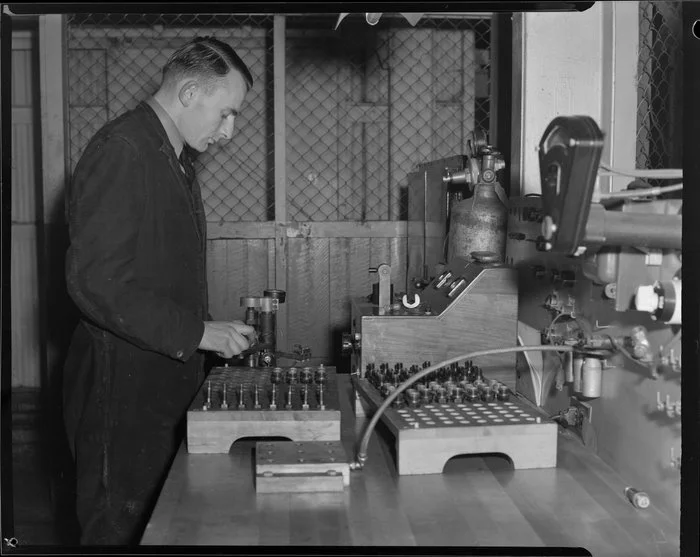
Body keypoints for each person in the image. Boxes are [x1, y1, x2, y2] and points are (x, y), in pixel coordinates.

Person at [62, 37, 257, 546]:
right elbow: (96, 283)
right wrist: (198, 333)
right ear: (190, 91)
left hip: (154, 386)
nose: (229, 132)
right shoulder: (123, 149)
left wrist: (206, 337)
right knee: (118, 532)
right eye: (227, 113)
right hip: (120, 391)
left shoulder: (171, 157)